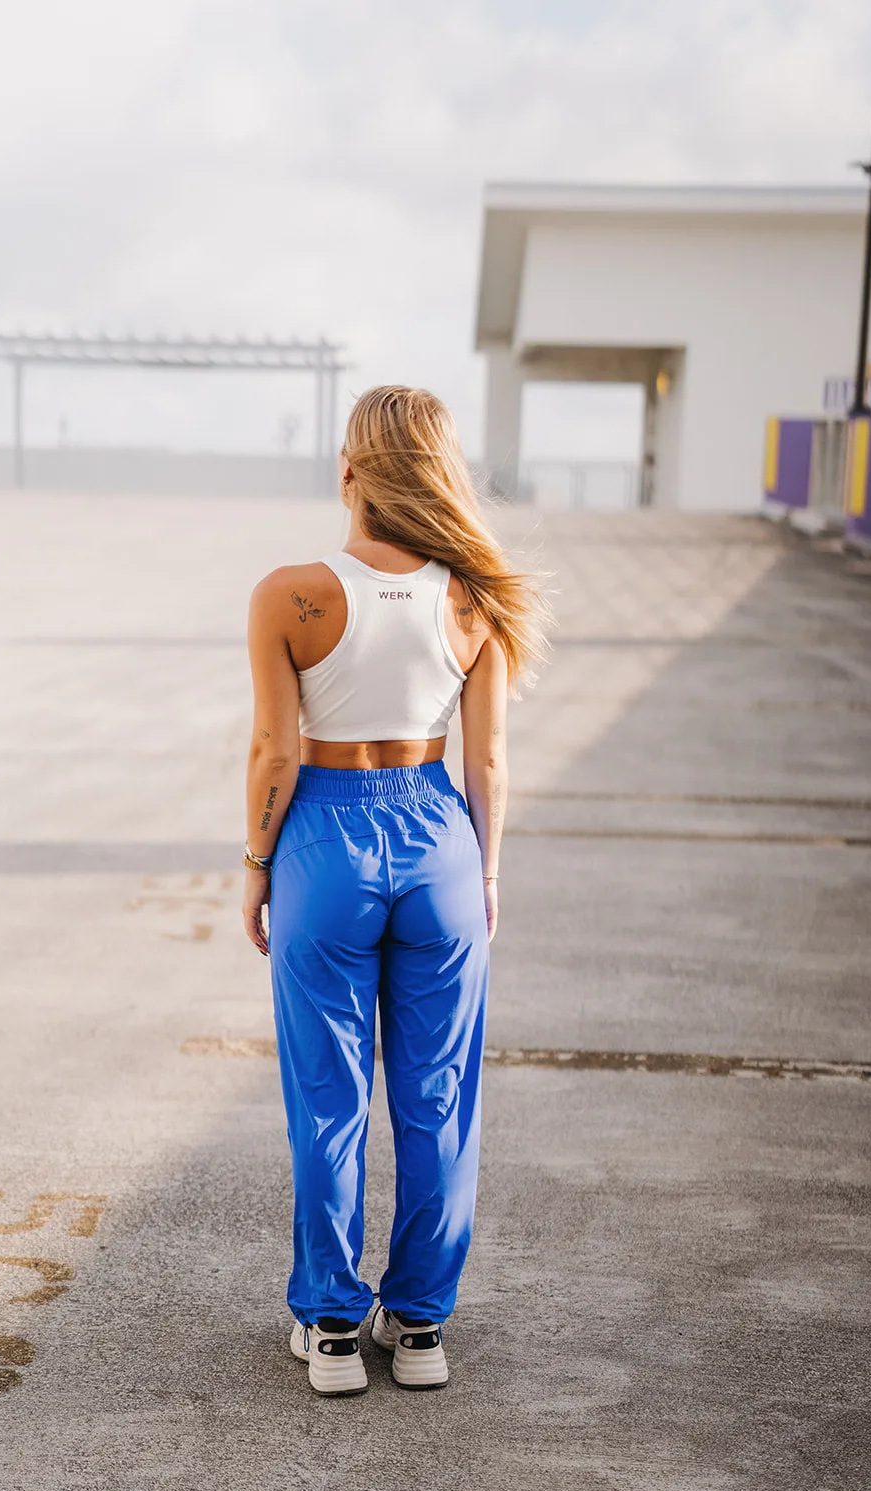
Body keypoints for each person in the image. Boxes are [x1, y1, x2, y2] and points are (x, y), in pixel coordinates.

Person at [241, 385, 550, 1396]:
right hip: (439, 840)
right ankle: (417, 1326)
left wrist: (255, 867)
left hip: (323, 839)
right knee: (438, 1099)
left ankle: (331, 1330)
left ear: (349, 471)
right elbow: (489, 763)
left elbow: (273, 752)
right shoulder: (472, 594)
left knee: (327, 1099)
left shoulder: (290, 594)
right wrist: (486, 872)